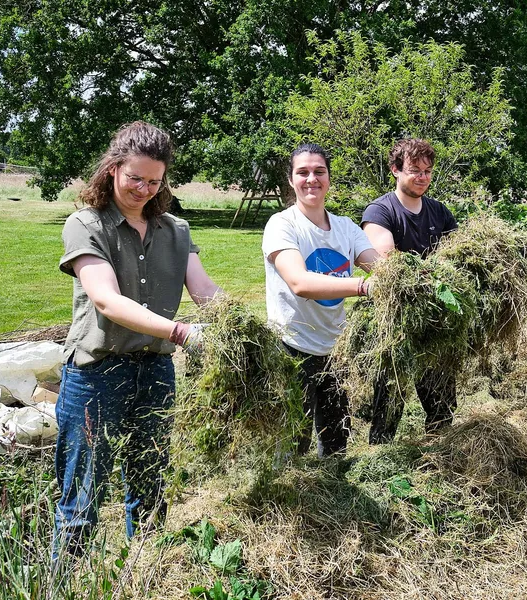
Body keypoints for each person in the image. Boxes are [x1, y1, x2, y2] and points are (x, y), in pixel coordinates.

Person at [54, 121, 223, 560]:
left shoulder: (176, 230)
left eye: (154, 181)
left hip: (155, 373)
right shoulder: (85, 224)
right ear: (113, 169)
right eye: (135, 178)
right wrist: (182, 332)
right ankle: (66, 584)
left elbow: (203, 290)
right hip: (97, 374)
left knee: (150, 489)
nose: (144, 189)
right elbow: (107, 300)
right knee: (82, 499)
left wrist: (238, 326)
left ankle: (144, 575)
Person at [263, 143, 379, 458]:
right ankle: (291, 504)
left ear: (328, 178)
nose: (311, 179)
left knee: (337, 442)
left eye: (319, 171)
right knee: (292, 446)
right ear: (291, 179)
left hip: (335, 353)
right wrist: (362, 286)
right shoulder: (282, 225)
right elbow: (299, 282)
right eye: (303, 172)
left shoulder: (346, 228)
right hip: (291, 349)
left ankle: (333, 497)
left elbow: (380, 267)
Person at [361, 138, 459, 444]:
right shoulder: (380, 211)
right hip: (396, 323)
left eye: (428, 171)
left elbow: (459, 257)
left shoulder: (439, 212)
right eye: (415, 170)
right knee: (389, 401)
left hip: (436, 322)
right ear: (395, 170)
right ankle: (381, 458)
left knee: (441, 403)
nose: (423, 177)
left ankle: (439, 453)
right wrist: (435, 275)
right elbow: (387, 264)